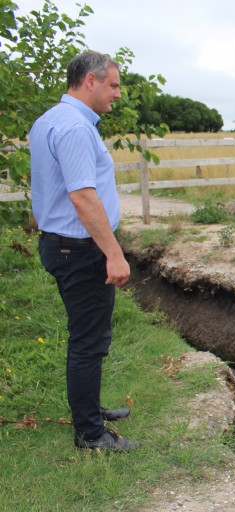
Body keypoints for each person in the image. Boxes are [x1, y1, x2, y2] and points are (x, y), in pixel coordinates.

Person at [30, 50, 138, 451]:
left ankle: (89, 411)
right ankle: (90, 434)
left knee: (87, 337)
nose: (117, 95)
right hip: (80, 249)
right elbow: (82, 197)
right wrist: (113, 253)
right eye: (113, 85)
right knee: (89, 341)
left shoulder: (49, 121)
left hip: (63, 245)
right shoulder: (75, 128)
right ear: (89, 81)